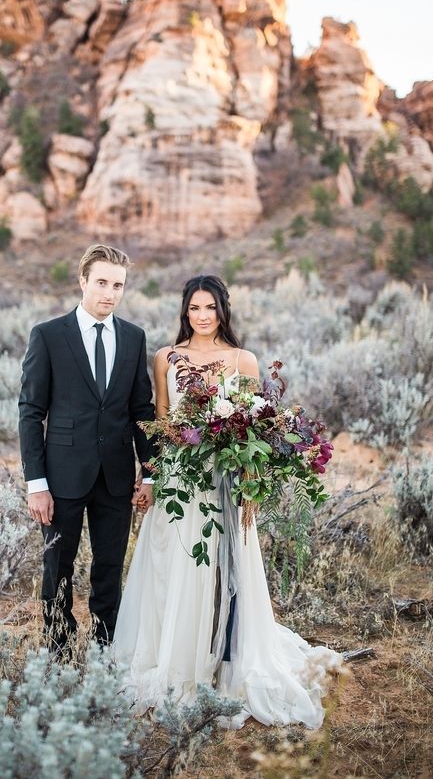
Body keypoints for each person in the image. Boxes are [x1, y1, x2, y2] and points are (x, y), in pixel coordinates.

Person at [113, 275, 342, 728]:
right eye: (194, 308)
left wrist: (251, 485)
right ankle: (176, 657)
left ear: (223, 311)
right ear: (185, 311)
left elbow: (257, 424)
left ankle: (224, 659)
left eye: (210, 308)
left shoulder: (243, 360)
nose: (202, 316)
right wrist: (153, 477)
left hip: (225, 480)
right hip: (181, 479)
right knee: (172, 566)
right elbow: (159, 424)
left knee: (222, 564)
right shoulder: (165, 357)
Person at [19, 244, 155, 653]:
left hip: (115, 476)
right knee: (57, 566)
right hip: (61, 476)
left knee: (110, 567)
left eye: (118, 285)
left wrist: (149, 473)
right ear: (82, 281)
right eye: (101, 282)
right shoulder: (48, 335)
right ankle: (59, 649)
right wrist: (36, 483)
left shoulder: (133, 338)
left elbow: (141, 409)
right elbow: (30, 412)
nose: (109, 293)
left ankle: (104, 648)